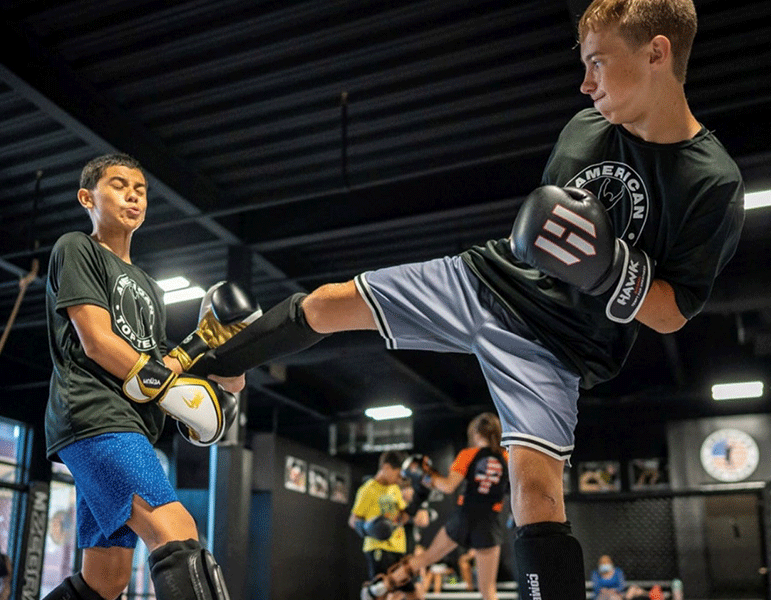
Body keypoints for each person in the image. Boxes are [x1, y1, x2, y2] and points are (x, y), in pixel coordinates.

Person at [188, 0, 744, 596]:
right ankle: (208, 373)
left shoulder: (710, 180)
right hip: (481, 279)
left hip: (559, 345)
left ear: (656, 52)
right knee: (328, 301)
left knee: (535, 493)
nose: (585, 84)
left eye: (598, 64)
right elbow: (539, 240)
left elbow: (673, 312)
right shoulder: (585, 128)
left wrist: (610, 270)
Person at [41, 153, 250, 600]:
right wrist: (173, 390)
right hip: (95, 416)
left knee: (106, 580)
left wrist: (206, 349)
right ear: (87, 197)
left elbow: (154, 366)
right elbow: (97, 341)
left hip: (129, 425)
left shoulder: (150, 288)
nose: (134, 195)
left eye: (141, 189)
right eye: (119, 185)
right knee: (177, 532)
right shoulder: (76, 248)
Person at [363, 413, 508, 600]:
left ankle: (378, 588)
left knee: (427, 557)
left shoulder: (468, 455)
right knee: (488, 591)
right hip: (489, 523)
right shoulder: (507, 458)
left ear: (475, 433)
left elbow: (447, 486)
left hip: (464, 518)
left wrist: (427, 473)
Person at [349, 451, 424, 600]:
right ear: (386, 467)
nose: (399, 479)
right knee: (381, 593)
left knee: (413, 593)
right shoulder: (367, 489)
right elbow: (352, 520)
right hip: (378, 548)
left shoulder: (395, 489)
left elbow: (403, 517)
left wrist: (416, 503)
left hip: (398, 548)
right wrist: (367, 528)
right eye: (397, 474)